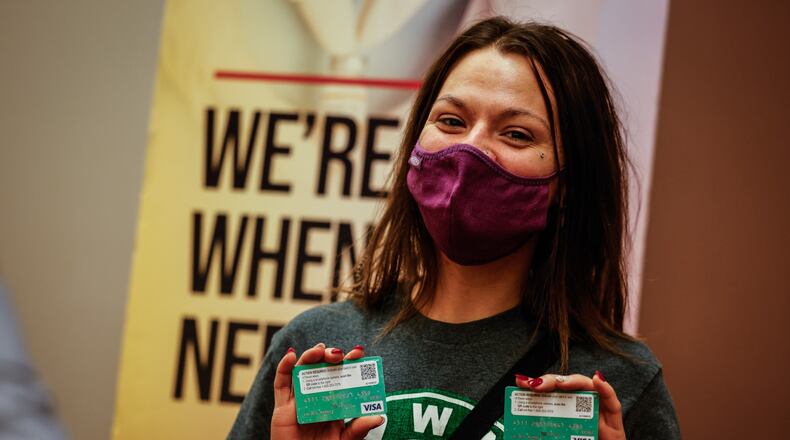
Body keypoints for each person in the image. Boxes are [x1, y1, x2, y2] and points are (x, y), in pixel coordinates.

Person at [228, 16, 680, 440]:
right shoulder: (312, 351)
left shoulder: (616, 385)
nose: (470, 149)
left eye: (517, 134)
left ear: (569, 182)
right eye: (451, 121)